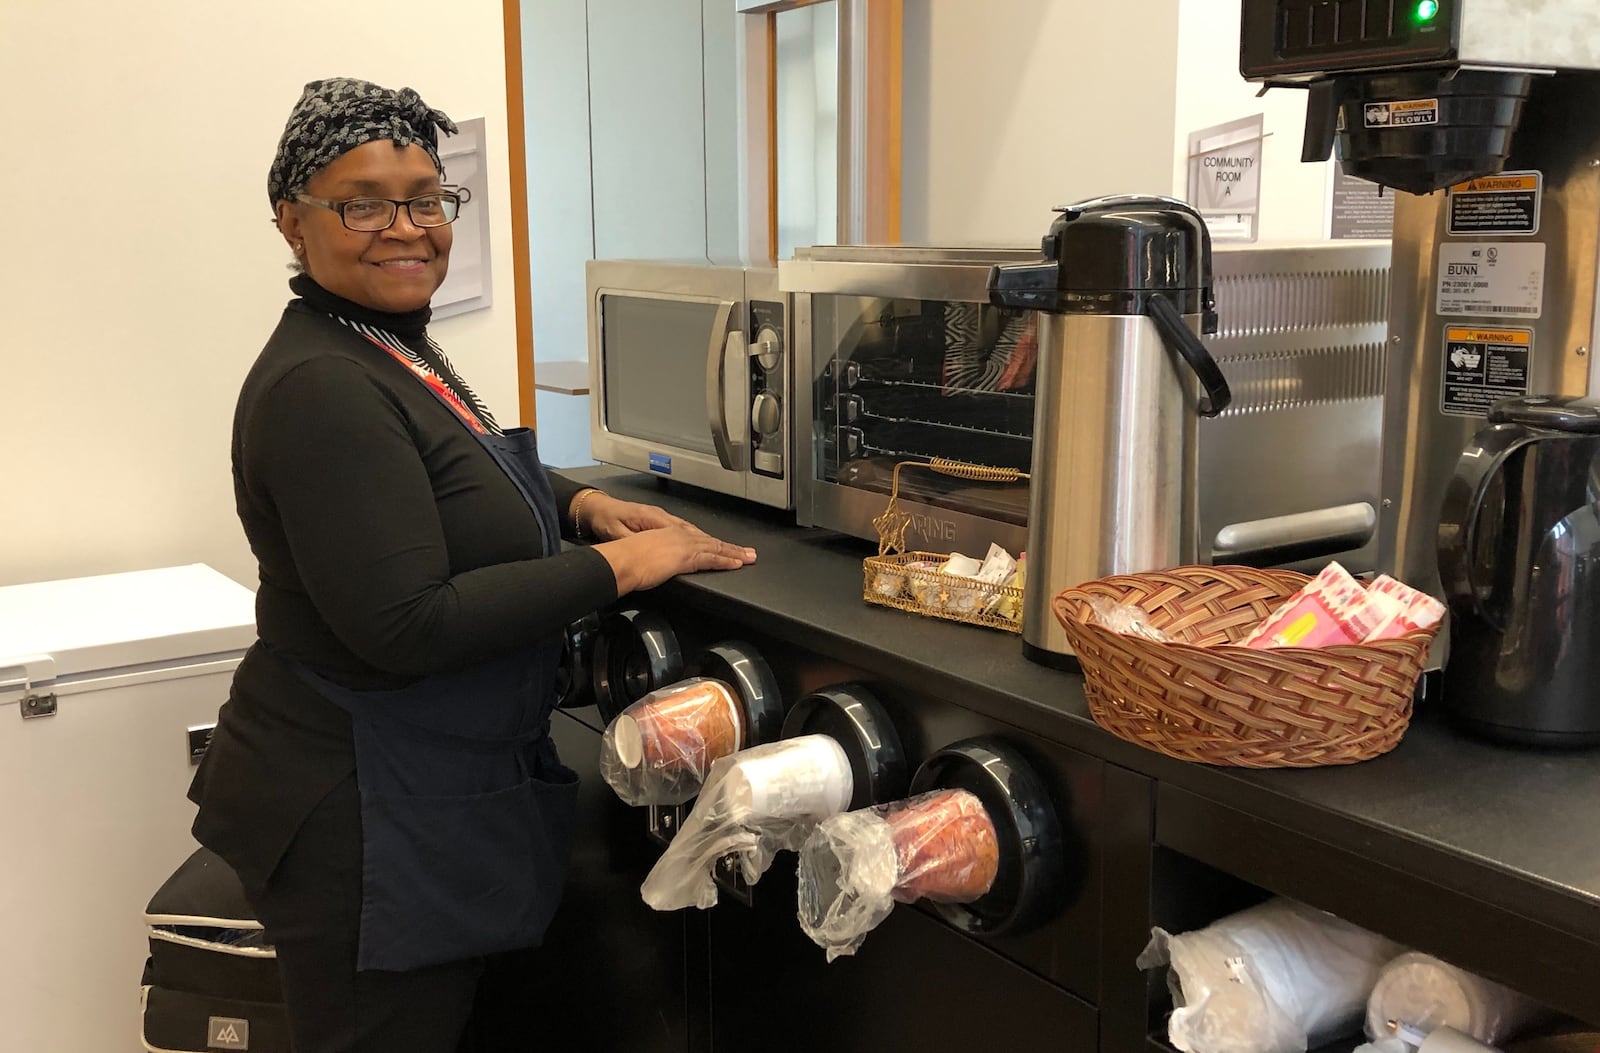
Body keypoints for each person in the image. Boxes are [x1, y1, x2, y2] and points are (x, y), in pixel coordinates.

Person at [187, 77, 756, 1053]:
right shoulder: (325, 382)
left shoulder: (385, 343)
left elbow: (444, 482)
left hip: (412, 784)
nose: (407, 228)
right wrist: (622, 570)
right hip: (361, 809)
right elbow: (409, 622)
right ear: (293, 221)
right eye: (362, 202)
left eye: (425, 197)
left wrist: (577, 505)